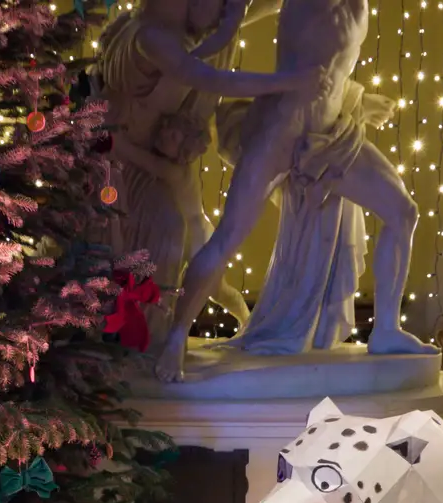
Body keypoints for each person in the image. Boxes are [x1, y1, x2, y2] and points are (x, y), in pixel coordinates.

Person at [156, 0, 438, 382]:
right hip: (282, 130)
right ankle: (176, 338)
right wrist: (185, 51)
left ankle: (386, 328)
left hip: (332, 133)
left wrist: (358, 99)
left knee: (403, 212)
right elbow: (224, 30)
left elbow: (336, 66)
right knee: (228, 236)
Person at [96, 0, 320, 344]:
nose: (224, 14)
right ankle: (133, 345)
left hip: (136, 164)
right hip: (117, 168)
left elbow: (229, 27)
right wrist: (288, 82)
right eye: (221, 4)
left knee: (172, 238)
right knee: (152, 240)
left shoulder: (172, 33)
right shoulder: (154, 39)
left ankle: (146, 341)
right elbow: (214, 80)